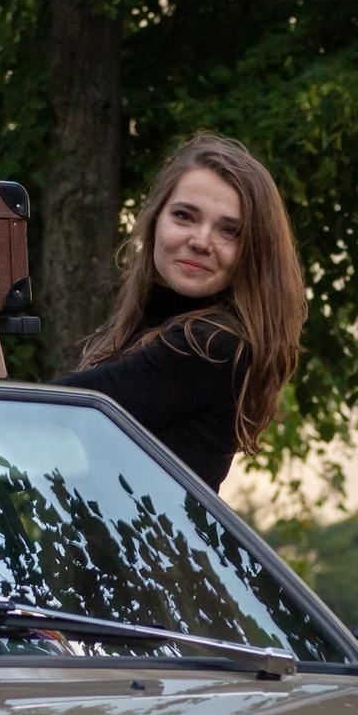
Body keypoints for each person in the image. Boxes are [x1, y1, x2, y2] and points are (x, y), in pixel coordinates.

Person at [50, 133, 307, 489]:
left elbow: (52, 414)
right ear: (156, 220)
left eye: (229, 231)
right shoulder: (134, 329)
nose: (201, 241)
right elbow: (34, 447)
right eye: (184, 216)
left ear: (253, 253)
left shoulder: (211, 346)